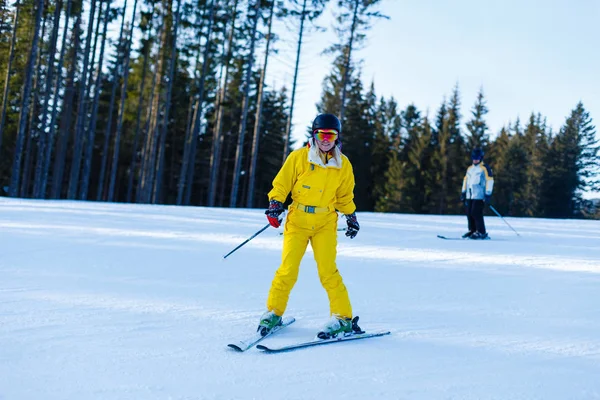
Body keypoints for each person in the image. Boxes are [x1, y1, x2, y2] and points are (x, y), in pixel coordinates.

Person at [258, 113, 362, 339]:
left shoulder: (343, 165)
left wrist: (351, 217)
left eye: (331, 134)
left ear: (337, 137)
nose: (326, 139)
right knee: (288, 269)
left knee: (328, 271)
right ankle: (273, 313)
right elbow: (281, 184)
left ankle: (343, 317)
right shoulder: (299, 158)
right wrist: (276, 204)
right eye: (321, 134)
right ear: (314, 135)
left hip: (325, 222)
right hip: (298, 220)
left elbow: (345, 196)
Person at [460, 148, 494, 239]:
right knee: (469, 213)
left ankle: (481, 232)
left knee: (476, 212)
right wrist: (463, 192)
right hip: (469, 195)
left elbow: (489, 180)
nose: (475, 159)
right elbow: (465, 180)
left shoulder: (485, 168)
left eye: (477, 158)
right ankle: (472, 230)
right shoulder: (470, 168)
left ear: (481, 158)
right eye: (474, 157)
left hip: (479, 195)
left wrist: (488, 194)